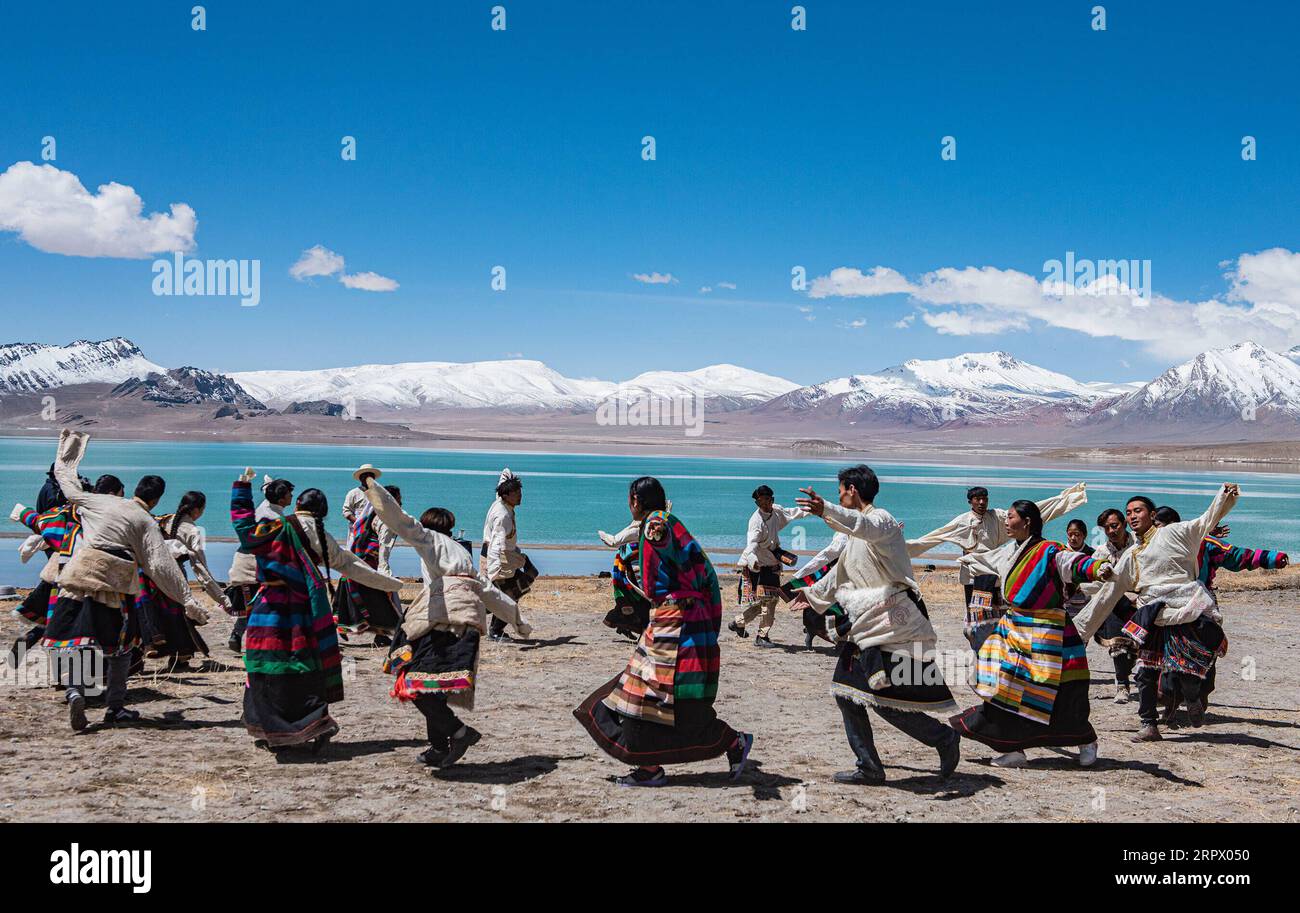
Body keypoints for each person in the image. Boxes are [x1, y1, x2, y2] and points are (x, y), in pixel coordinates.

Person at [574, 477, 754, 787]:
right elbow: (705, 575)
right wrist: (710, 621)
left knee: (648, 697)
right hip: (677, 623)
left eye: (629, 500)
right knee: (647, 697)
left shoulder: (655, 526)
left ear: (635, 501)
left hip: (675, 627)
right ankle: (653, 767)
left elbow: (661, 558)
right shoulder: (664, 523)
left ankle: (715, 747)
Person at [790, 466, 961, 784]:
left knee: (885, 700)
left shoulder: (881, 522)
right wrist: (811, 594)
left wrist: (826, 509)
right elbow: (841, 574)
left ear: (852, 490)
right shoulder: (856, 538)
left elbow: (861, 523)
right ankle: (869, 765)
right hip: (867, 625)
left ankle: (943, 738)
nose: (838, 495)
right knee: (848, 693)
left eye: (840, 490)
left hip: (894, 623)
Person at [358, 476, 531, 767]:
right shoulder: (461, 552)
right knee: (432, 688)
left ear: (426, 527)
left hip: (444, 620)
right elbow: (486, 590)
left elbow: (397, 518)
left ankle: (459, 732)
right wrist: (517, 620)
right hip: (467, 623)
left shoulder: (427, 539)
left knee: (415, 684)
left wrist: (371, 487)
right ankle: (439, 747)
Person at [42, 430, 207, 729]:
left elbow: (65, 480)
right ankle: (115, 708)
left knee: (79, 644)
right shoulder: (144, 520)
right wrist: (188, 600)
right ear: (155, 500)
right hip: (113, 582)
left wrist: (71, 448)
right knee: (120, 649)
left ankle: (75, 691)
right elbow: (160, 564)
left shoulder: (95, 502)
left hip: (77, 576)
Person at [231, 468, 403, 751]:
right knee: (303, 663)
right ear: (321, 513)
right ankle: (310, 722)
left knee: (262, 663)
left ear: (297, 504)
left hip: (268, 610)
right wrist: (390, 583)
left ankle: (267, 726)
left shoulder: (275, 526)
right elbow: (350, 565)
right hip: (302, 610)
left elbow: (244, 531)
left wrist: (241, 489)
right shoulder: (321, 536)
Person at [948, 500, 1113, 768]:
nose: (1006, 522)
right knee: (1005, 687)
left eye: (1010, 517)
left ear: (1027, 522)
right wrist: (962, 556)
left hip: (1050, 634)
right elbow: (986, 560)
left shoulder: (1050, 550)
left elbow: (1072, 562)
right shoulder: (1011, 551)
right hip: (1015, 630)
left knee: (1063, 691)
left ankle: (1085, 740)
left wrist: (1097, 568)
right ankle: (1013, 749)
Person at [1074, 485, 1239, 742]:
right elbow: (1108, 594)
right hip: (1152, 614)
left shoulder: (1175, 532)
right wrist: (1078, 630)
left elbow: (1205, 521)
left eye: (1137, 510)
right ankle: (1148, 724)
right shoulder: (1131, 555)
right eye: (1128, 512)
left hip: (1186, 608)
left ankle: (1193, 697)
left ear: (1152, 515)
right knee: (1145, 671)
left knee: (1187, 668)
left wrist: (1224, 496)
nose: (1132, 516)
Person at [905, 482, 1089, 648]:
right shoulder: (962, 521)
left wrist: (1065, 499)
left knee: (1000, 611)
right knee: (976, 616)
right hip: (974, 574)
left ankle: (999, 646)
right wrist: (902, 546)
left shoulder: (998, 516)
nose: (982, 502)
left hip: (996, 570)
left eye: (985, 499)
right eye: (978, 499)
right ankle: (980, 647)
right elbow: (937, 536)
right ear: (971, 502)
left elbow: (1034, 512)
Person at [135, 491, 233, 667]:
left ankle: (139, 655)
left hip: (149, 575)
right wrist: (222, 598)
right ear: (197, 510)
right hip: (174, 577)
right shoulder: (194, 531)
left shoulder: (165, 519)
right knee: (177, 617)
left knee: (151, 616)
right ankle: (180, 657)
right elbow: (200, 569)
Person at [332, 465, 402, 646]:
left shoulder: (372, 512)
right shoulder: (382, 518)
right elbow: (384, 548)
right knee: (380, 600)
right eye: (399, 501)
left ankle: (380, 632)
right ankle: (387, 632)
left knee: (369, 599)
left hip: (361, 555)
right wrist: (384, 573)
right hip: (371, 560)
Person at [729, 485, 806, 647]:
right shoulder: (756, 522)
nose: (765, 503)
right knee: (769, 601)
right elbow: (751, 545)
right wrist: (752, 562)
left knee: (766, 601)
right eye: (761, 501)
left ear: (773, 500)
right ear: (757, 503)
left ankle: (738, 622)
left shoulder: (776, 511)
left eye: (768, 500)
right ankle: (762, 637)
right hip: (759, 565)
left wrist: (813, 510)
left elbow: (792, 513)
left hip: (772, 563)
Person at [226, 477, 294, 653]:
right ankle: (255, 642)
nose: (292, 496)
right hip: (255, 570)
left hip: (247, 569)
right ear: (280, 499)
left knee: (253, 607)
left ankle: (240, 636)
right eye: (289, 493)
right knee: (261, 608)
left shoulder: (265, 510)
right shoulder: (275, 519)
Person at [1087, 508, 1139, 703]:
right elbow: (1091, 580)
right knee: (1118, 644)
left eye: (1114, 526)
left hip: (1140, 603)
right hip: (1115, 606)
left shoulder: (1139, 544)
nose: (1111, 531)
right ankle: (1122, 685)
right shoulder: (1101, 553)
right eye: (1106, 528)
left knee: (1140, 648)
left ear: (1124, 524)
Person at [480, 468, 536, 642]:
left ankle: (486, 615)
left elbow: (501, 483)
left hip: (507, 555)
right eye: (516, 493)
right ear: (506, 495)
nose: (520, 496)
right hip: (498, 558)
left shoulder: (501, 502)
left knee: (525, 578)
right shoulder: (502, 515)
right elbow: (496, 545)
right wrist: (494, 571)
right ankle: (495, 630)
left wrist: (507, 475)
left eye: (520, 492)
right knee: (513, 592)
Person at [781, 531, 848, 649]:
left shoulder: (848, 529)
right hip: (836, 574)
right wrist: (802, 573)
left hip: (841, 574)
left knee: (835, 607)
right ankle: (838, 639)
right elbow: (830, 552)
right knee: (834, 607)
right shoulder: (844, 533)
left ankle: (831, 636)